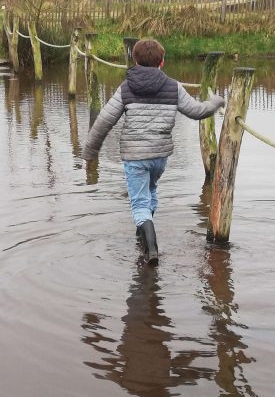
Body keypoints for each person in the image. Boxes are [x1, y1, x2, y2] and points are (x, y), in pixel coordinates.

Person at [82, 39, 225, 267]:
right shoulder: (173, 87)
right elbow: (197, 112)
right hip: (160, 157)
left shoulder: (126, 88)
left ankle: (151, 249)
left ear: (135, 61)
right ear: (162, 62)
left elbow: (104, 122)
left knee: (139, 203)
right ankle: (143, 233)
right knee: (151, 191)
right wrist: (215, 102)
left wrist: (90, 151)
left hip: (135, 156)